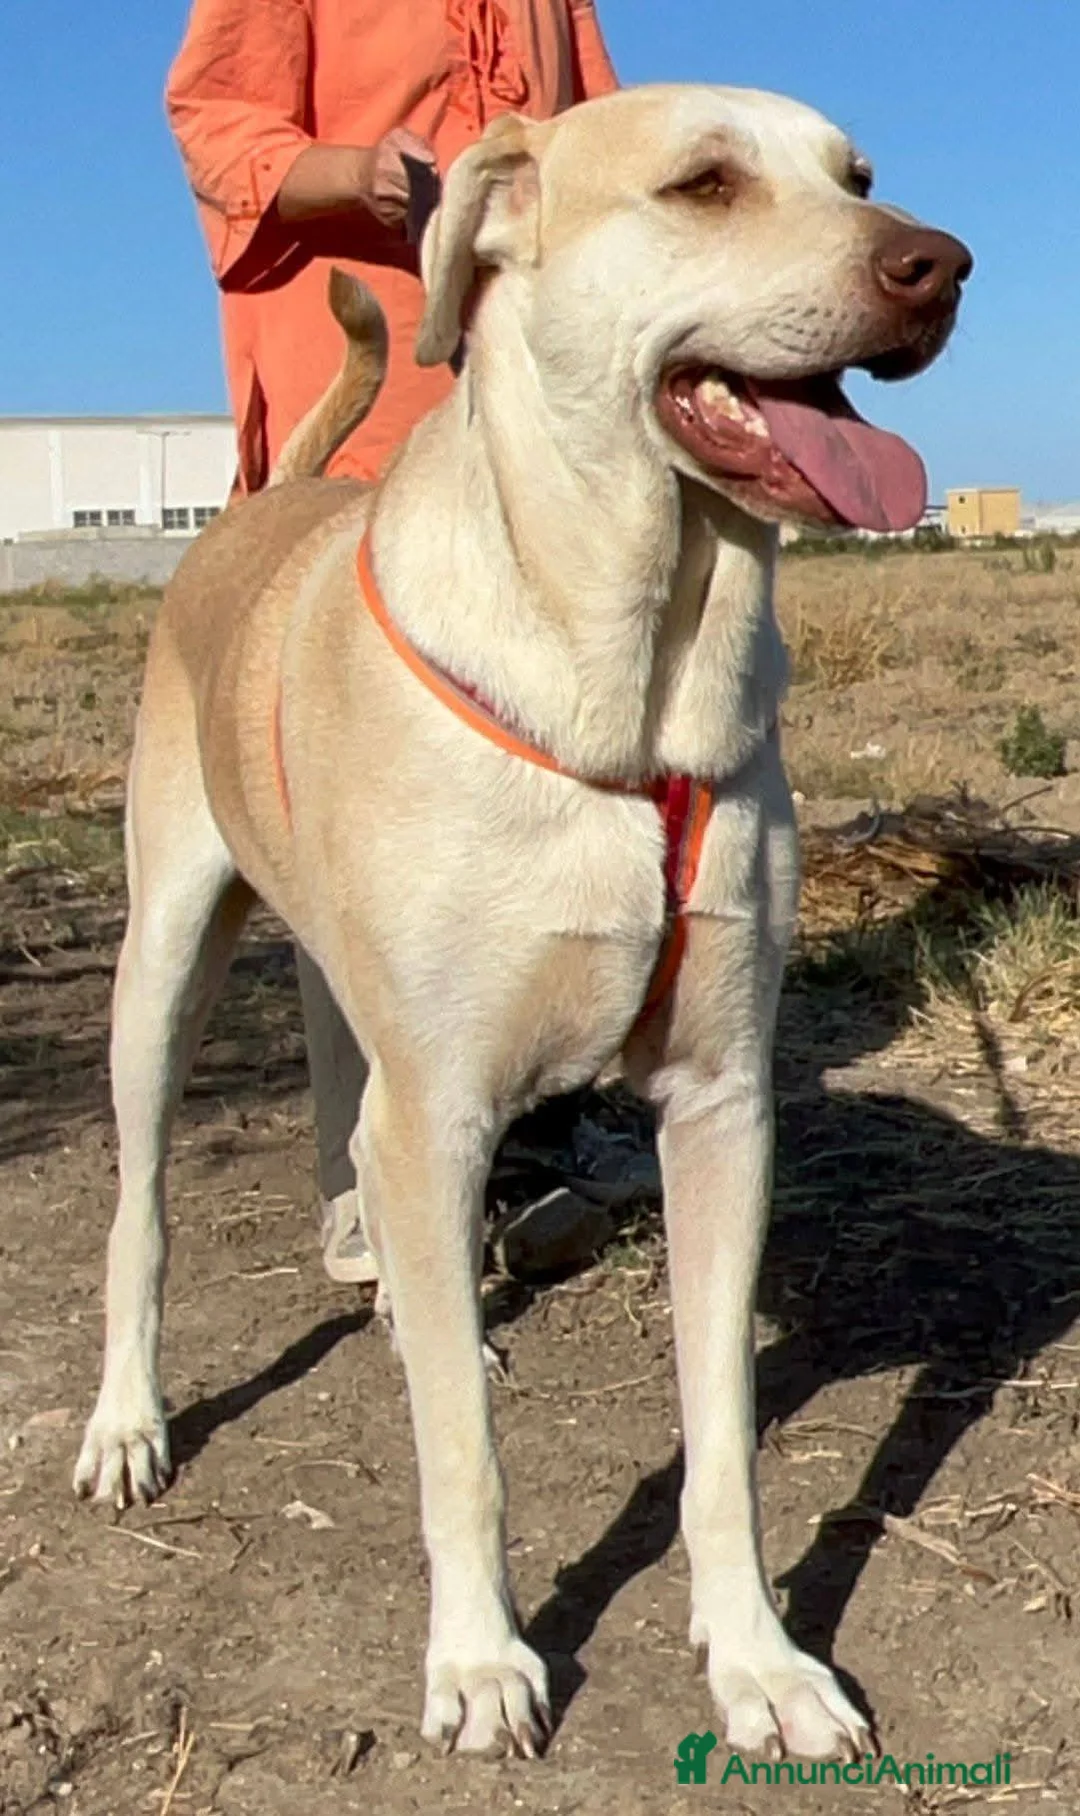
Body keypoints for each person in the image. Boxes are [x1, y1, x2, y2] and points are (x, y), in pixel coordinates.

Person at [166, 0, 619, 1280]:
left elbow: (594, 134)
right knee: (363, 786)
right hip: (358, 357)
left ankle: (531, 1142)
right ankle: (363, 1172)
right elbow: (211, 118)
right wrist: (348, 176)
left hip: (522, 382)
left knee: (545, 744)